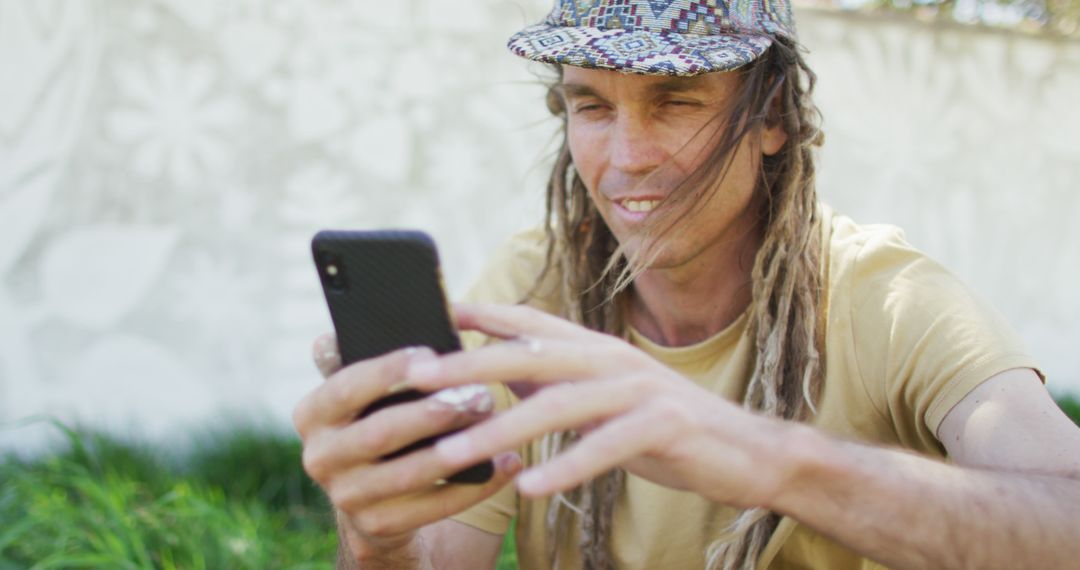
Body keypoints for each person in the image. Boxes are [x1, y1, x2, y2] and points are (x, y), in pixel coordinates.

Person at [292, 0, 1080, 568]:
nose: (627, 156)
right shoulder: (532, 287)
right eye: (591, 105)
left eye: (675, 102)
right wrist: (379, 539)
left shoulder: (888, 297)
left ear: (771, 116)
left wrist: (749, 451)